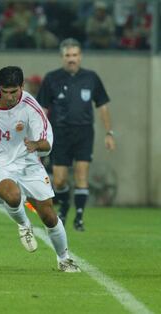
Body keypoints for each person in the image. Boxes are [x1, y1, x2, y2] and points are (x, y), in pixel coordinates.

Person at [0, 66, 80, 272]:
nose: (9, 97)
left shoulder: (31, 107)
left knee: (48, 214)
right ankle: (24, 224)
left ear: (22, 86)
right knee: (12, 195)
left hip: (26, 159)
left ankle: (64, 258)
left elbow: (46, 142)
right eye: (5, 91)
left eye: (14, 92)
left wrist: (36, 145)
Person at [37, 38, 116, 232]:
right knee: (59, 180)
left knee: (82, 175)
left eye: (74, 55)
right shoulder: (51, 78)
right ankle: (64, 205)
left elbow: (103, 106)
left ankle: (79, 218)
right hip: (59, 134)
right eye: (67, 56)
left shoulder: (91, 78)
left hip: (84, 132)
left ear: (80, 57)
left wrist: (109, 132)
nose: (71, 59)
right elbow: (42, 109)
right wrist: (39, 135)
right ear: (62, 57)